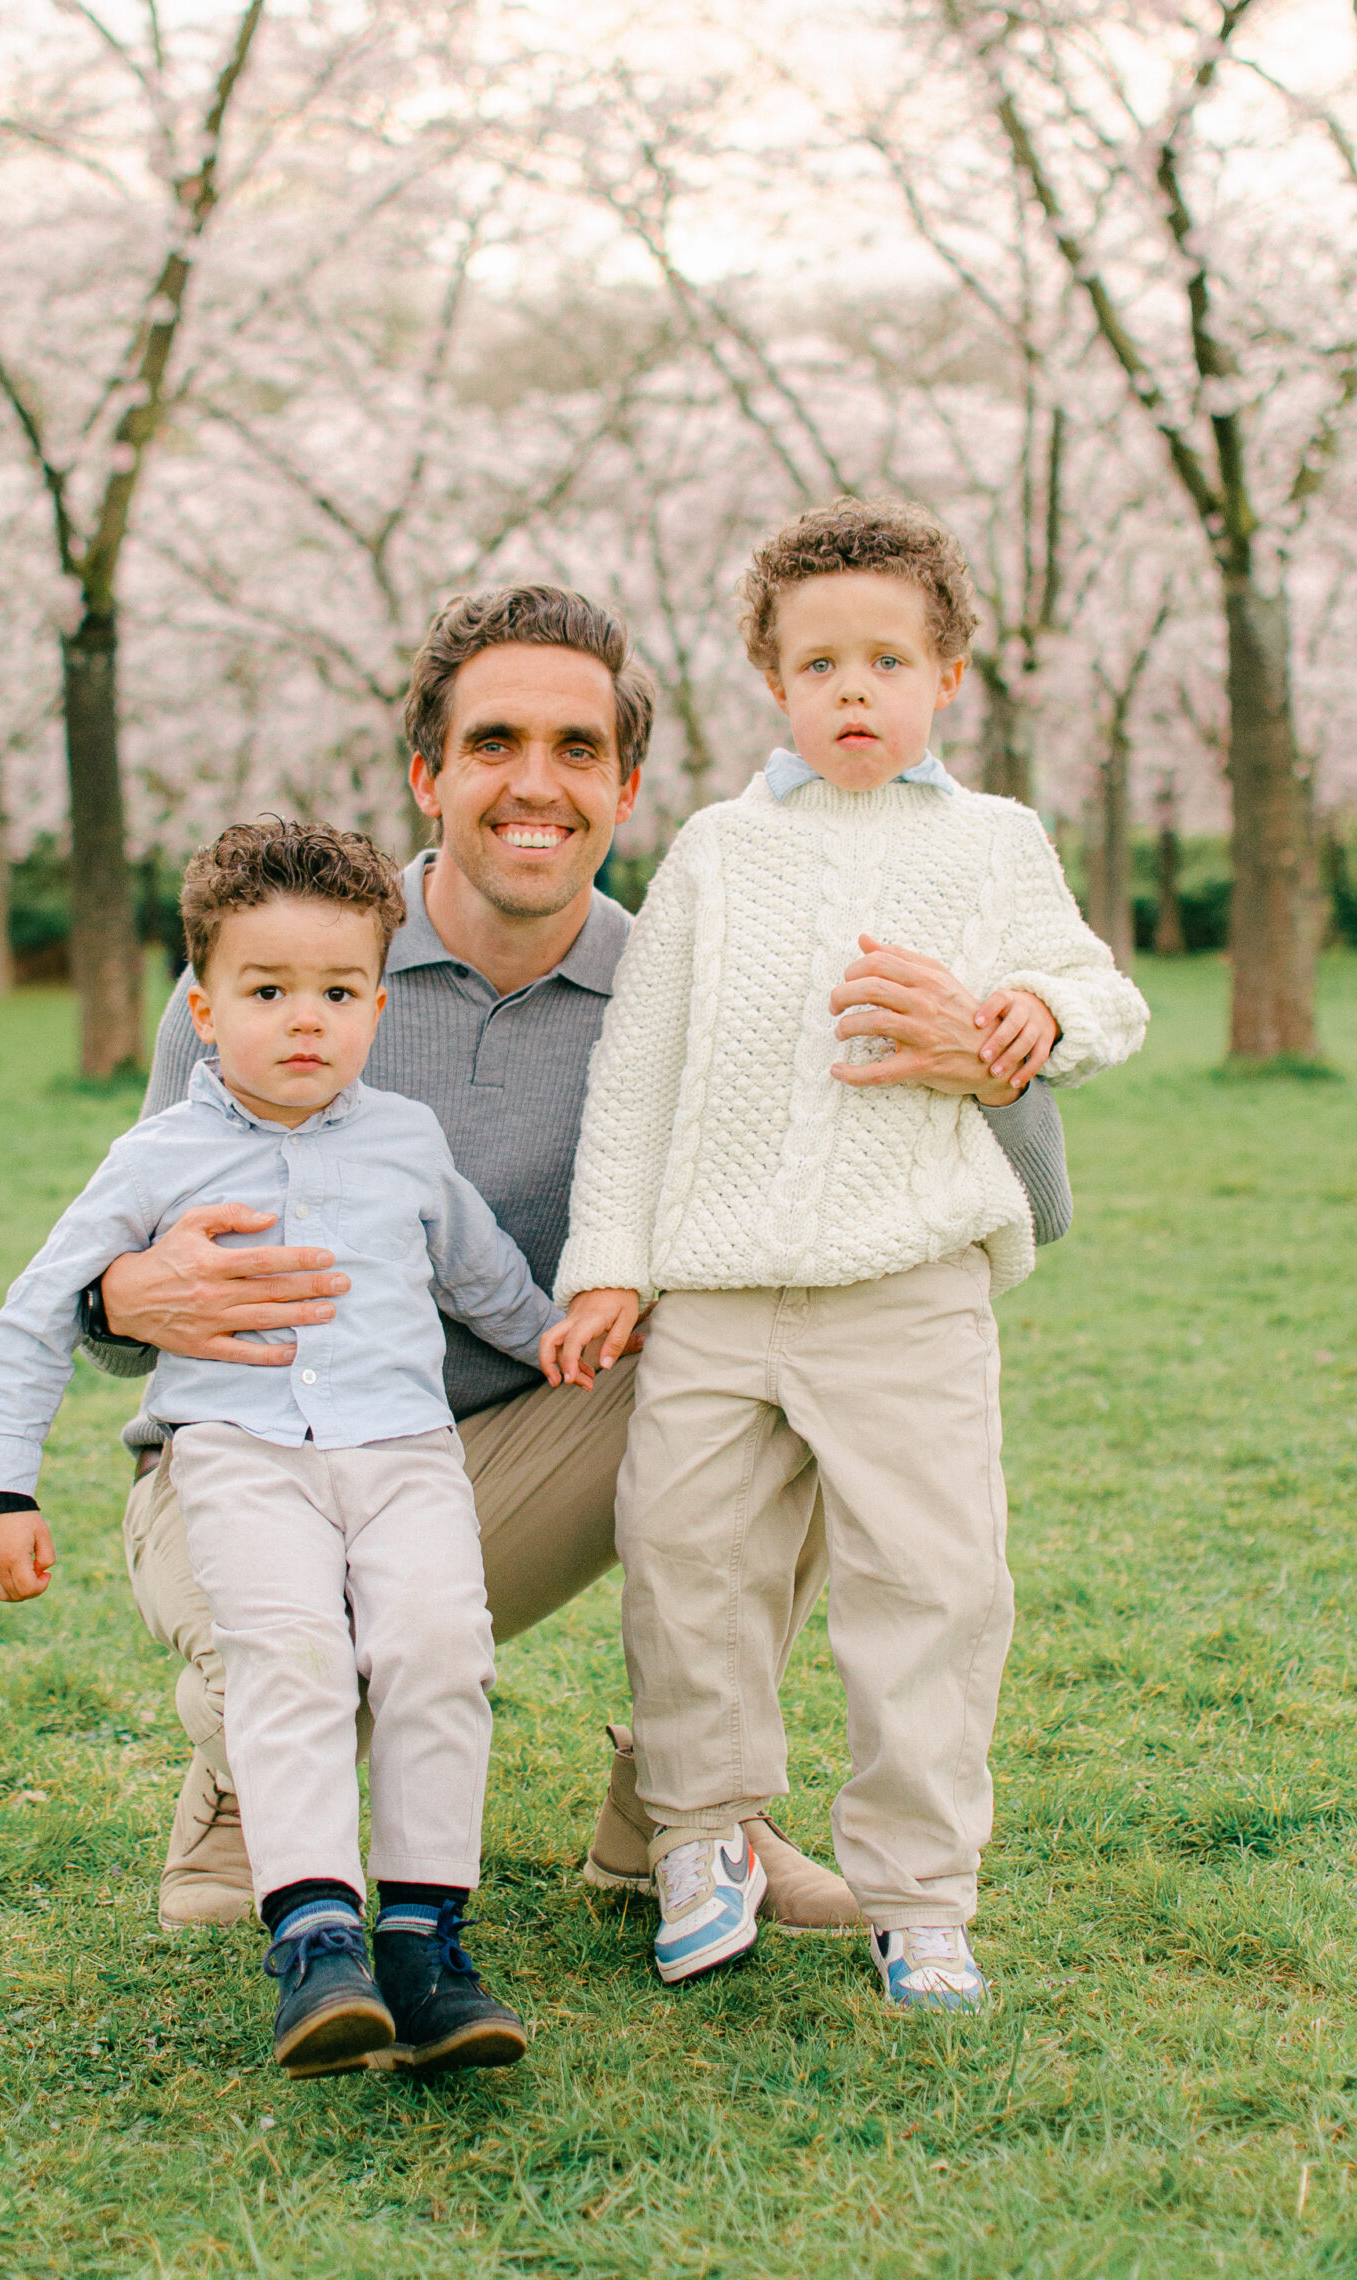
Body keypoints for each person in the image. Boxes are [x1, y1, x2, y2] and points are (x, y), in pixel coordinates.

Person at [77, 585, 1078, 1931]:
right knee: (298, 1640)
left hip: (533, 1437)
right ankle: (241, 1791)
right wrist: (115, 1295)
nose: (534, 785)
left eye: (577, 750)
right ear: (428, 775)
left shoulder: (698, 979)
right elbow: (118, 1280)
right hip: (263, 1457)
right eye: (494, 744)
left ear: (629, 786)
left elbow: (1045, 1208)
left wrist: (994, 1067)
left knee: (793, 1333)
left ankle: (683, 1814)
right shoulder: (290, 971)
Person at [542, 498, 1149, 2012]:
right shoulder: (716, 852)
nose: (855, 692)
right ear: (773, 681)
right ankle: (698, 1834)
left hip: (910, 1289)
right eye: (821, 666)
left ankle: (918, 1891)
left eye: (889, 659)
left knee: (933, 1585)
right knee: (687, 1566)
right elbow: (637, 1074)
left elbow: (1101, 990)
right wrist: (608, 1261)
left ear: (948, 672)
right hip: (717, 1295)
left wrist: (1042, 1017)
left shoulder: (994, 843)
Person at [0, 820, 543, 2078]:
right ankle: (315, 1936)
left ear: (377, 1005)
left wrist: (564, 1340)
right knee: (290, 1652)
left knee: (439, 1649)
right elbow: (34, 1311)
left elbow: (487, 1281)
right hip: (241, 1452)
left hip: (404, 1454)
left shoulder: (405, 1141)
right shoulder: (161, 1155)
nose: (305, 1021)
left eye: (336, 993)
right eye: (266, 990)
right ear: (203, 1004)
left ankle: (426, 1941)